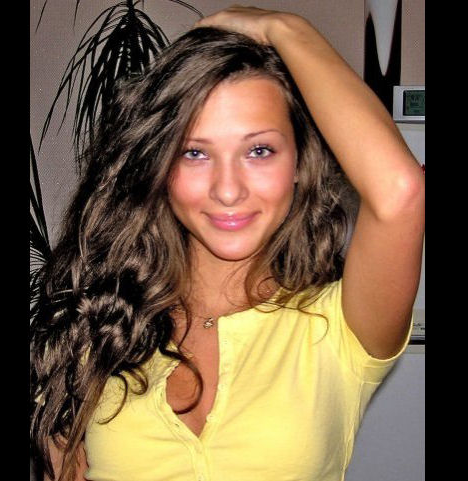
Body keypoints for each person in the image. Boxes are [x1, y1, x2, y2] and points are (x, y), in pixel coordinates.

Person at [30, 5, 425, 481]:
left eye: (259, 150)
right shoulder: (100, 324)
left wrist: (283, 28)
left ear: (299, 163)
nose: (228, 190)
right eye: (194, 153)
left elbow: (400, 191)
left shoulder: (340, 325)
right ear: (160, 167)